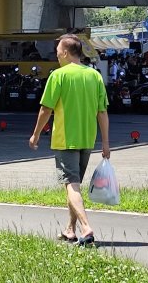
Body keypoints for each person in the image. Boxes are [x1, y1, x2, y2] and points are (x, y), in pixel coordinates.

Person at [29, 34, 110, 248]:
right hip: (87, 138)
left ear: (65, 52)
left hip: (66, 138)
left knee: (71, 185)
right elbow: (102, 112)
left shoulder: (59, 75)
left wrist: (36, 134)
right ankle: (70, 229)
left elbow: (46, 108)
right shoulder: (94, 76)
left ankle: (85, 227)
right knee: (73, 186)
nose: (56, 55)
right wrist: (106, 143)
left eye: (57, 51)